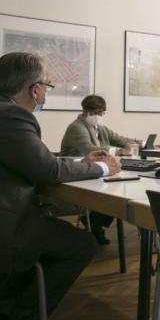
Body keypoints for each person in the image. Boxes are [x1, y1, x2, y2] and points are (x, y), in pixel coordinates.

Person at [0, 52, 121, 320]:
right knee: (80, 244)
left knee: (50, 241)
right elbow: (48, 170)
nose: (46, 94)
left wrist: (80, 161)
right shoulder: (9, 116)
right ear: (35, 89)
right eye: (48, 86)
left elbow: (35, 159)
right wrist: (102, 167)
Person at [60, 94, 139, 244]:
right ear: (85, 112)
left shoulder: (100, 128)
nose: (97, 116)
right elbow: (90, 149)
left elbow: (120, 139)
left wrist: (140, 144)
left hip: (96, 173)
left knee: (119, 185)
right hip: (76, 174)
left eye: (100, 113)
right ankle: (95, 222)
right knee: (115, 187)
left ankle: (95, 222)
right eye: (94, 113)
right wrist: (120, 152)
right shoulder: (76, 127)